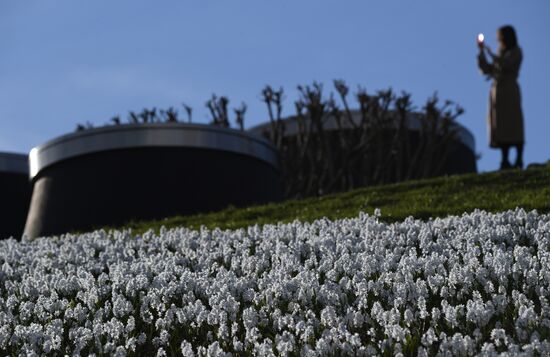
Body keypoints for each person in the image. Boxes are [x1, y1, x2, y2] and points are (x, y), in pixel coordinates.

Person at [477, 25, 525, 170]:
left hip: (509, 90)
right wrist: (481, 53)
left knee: (514, 123)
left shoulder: (516, 52)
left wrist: (491, 53)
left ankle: (518, 158)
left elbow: (506, 64)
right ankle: (504, 160)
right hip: (497, 92)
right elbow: (488, 70)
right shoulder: (500, 53)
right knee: (501, 125)